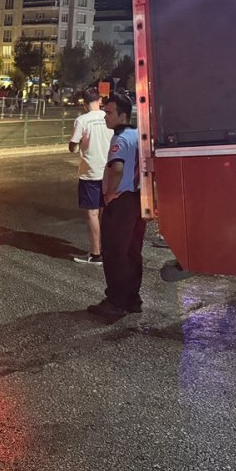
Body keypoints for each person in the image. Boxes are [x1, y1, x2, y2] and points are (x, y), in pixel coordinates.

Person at [88, 94, 146, 319]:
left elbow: (118, 168)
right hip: (139, 199)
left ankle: (115, 302)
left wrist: (110, 193)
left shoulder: (120, 138)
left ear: (123, 115)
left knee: (114, 252)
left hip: (121, 202)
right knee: (132, 251)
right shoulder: (138, 135)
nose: (105, 116)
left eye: (110, 113)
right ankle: (132, 299)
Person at [68, 88, 113, 265]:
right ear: (99, 100)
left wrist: (76, 145)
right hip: (109, 172)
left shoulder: (82, 120)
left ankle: (95, 254)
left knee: (93, 214)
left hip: (90, 173)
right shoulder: (108, 117)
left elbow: (72, 145)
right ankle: (108, 249)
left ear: (85, 104)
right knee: (106, 212)